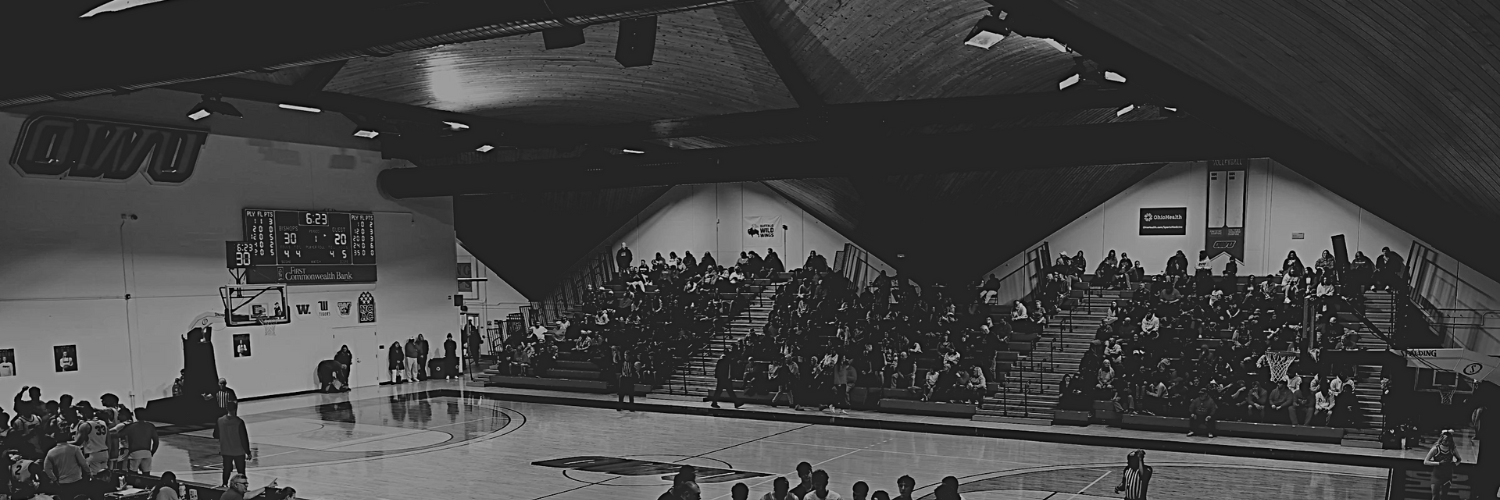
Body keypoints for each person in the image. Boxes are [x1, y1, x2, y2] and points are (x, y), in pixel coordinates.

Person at [42, 431, 90, 500]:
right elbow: (83, 463)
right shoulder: (75, 448)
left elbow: (47, 468)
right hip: (77, 480)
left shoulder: (51, 452)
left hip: (63, 483)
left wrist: (54, 480)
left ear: (55, 439)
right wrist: (88, 473)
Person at [213, 402, 250, 487]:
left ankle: (224, 484)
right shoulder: (239, 422)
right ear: (236, 408)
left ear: (227, 409)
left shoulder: (220, 421)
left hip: (225, 450)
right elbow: (244, 438)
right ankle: (243, 486)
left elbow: (215, 435)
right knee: (241, 471)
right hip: (238, 451)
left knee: (226, 469)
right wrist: (248, 452)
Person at [117, 407, 158, 474]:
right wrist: (151, 453)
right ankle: (146, 484)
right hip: (147, 453)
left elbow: (119, 435)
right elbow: (156, 441)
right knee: (146, 474)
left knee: (133, 474)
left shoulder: (131, 426)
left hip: (135, 453)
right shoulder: (150, 426)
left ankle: (135, 484)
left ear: (136, 415)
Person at [1423, 429, 1461, 500]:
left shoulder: (1452, 449)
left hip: (1447, 475)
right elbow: (1425, 462)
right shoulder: (1435, 449)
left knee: (1444, 496)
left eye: (1448, 441)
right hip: (1436, 475)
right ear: (1441, 439)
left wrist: (1454, 464)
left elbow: (1459, 460)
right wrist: (1439, 463)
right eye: (1445, 440)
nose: (1447, 442)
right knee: (1435, 496)